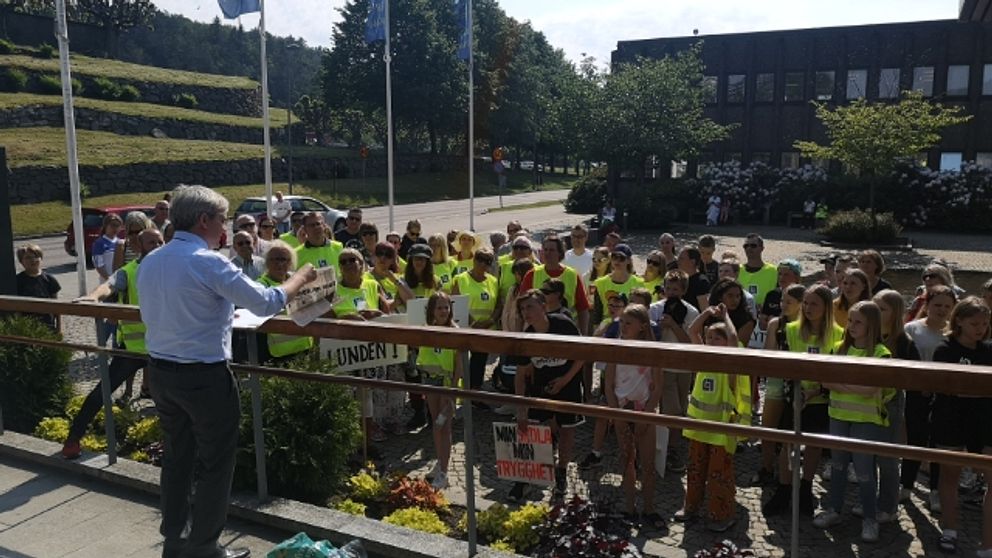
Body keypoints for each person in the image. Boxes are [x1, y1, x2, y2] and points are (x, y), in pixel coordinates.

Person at [137, 185, 317, 558]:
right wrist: (300, 277)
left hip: (162, 373)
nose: (225, 227)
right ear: (204, 220)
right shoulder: (208, 261)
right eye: (222, 218)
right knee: (216, 463)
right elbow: (266, 301)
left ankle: (175, 539)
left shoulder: (152, 259)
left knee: (177, 458)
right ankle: (204, 546)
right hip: (203, 377)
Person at [62, 229, 165, 459]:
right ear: (139, 246)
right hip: (132, 349)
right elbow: (108, 285)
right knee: (102, 391)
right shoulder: (129, 271)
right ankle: (73, 438)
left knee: (173, 400)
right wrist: (94, 297)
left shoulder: (172, 270)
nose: (158, 245)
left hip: (163, 348)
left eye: (160, 241)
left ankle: (169, 445)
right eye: (152, 242)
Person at [762, 285, 843, 517]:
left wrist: (814, 392)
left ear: (826, 307)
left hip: (820, 399)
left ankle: (805, 487)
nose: (807, 308)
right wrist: (798, 391)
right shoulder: (790, 330)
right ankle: (784, 488)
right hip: (794, 396)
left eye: (814, 304)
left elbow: (835, 370)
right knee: (788, 443)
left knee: (814, 445)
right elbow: (783, 363)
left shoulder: (838, 334)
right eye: (805, 303)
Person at [814, 301, 891, 543]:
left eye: (858, 322)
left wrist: (841, 386)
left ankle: (870, 517)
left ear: (872, 325)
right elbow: (825, 382)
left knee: (865, 471)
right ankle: (834, 509)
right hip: (838, 416)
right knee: (837, 466)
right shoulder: (839, 348)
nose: (851, 326)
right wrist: (851, 388)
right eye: (850, 321)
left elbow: (870, 389)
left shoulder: (880, 353)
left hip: (865, 420)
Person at [677, 303, 751, 532]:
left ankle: (722, 514)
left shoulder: (730, 365)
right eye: (708, 338)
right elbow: (692, 331)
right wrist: (708, 313)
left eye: (715, 339)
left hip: (721, 429)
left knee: (719, 474)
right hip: (699, 427)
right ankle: (691, 507)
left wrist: (726, 316)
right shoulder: (704, 359)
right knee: (696, 469)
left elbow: (733, 337)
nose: (710, 342)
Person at [509, 289, 585, 501]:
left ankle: (561, 473)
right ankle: (526, 478)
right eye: (523, 309)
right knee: (533, 429)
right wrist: (520, 408)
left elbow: (582, 355)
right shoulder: (527, 338)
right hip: (541, 387)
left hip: (568, 383)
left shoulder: (563, 325)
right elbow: (521, 374)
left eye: (530, 307)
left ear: (543, 306)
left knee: (567, 430)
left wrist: (564, 380)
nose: (526, 312)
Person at [930, 297, 992, 555]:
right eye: (974, 323)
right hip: (951, 420)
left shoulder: (989, 351)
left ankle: (988, 543)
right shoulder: (945, 350)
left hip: (985, 422)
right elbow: (944, 387)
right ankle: (950, 529)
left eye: (985, 323)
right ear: (959, 322)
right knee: (950, 475)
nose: (980, 328)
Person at [604, 304, 664, 527]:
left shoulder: (653, 351)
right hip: (622, 408)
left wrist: (647, 414)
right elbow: (609, 385)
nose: (624, 326)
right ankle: (629, 507)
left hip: (643, 409)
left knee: (647, 463)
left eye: (629, 323)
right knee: (627, 460)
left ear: (642, 326)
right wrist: (616, 413)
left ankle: (649, 507)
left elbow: (657, 387)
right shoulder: (615, 348)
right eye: (622, 322)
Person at [903, 285, 957, 514]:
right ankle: (905, 484)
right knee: (914, 440)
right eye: (937, 305)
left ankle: (935, 490)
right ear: (927, 305)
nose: (942, 310)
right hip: (916, 395)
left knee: (938, 442)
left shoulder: (954, 334)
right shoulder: (912, 329)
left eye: (947, 306)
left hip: (944, 397)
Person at [330, 247, 391, 442]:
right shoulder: (333, 290)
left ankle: (368, 437)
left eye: (352, 260)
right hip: (343, 351)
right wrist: (346, 318)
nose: (348, 264)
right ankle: (350, 440)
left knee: (367, 395)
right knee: (347, 396)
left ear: (361, 264)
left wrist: (376, 314)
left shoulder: (372, 284)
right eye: (344, 262)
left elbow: (387, 313)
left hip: (368, 350)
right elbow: (322, 319)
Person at [873, 289, 919, 524]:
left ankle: (889, 505)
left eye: (881, 309)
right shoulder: (868, 335)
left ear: (895, 312)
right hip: (866, 402)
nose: (876, 313)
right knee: (866, 454)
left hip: (890, 403)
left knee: (888, 457)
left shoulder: (903, 341)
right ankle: (870, 501)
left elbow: (912, 377)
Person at [753, 283, 806, 487]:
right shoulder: (776, 323)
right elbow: (769, 353)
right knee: (768, 426)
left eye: (788, 302)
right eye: (782, 300)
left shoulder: (806, 326)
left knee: (791, 430)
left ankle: (789, 474)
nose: (783, 305)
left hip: (798, 383)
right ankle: (767, 467)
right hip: (776, 382)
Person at [648, 270, 700, 474]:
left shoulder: (691, 312)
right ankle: (671, 449)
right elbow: (650, 338)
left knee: (681, 407)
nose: (671, 292)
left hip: (683, 366)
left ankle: (673, 444)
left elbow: (691, 341)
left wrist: (674, 326)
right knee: (672, 410)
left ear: (684, 291)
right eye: (668, 288)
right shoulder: (655, 309)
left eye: (675, 289)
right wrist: (660, 328)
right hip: (664, 366)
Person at [417, 291, 464, 489]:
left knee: (442, 426)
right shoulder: (429, 330)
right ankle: (440, 463)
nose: (444, 311)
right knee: (436, 426)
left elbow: (459, 366)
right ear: (432, 311)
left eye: (446, 307)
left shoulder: (456, 331)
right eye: (440, 307)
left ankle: (444, 474)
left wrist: (452, 391)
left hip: (446, 386)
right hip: (431, 383)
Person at [517, 234, 591, 334]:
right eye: (545, 250)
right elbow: (520, 306)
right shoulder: (532, 274)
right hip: (538, 330)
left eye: (551, 250)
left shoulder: (572, 275)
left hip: (566, 330)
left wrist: (584, 334)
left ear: (560, 253)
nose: (547, 253)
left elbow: (582, 309)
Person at [451, 248, 500, 394]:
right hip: (465, 327)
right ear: (474, 260)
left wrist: (490, 321)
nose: (483, 264)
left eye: (487, 261)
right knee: (460, 362)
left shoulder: (493, 281)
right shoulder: (461, 279)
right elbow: (456, 302)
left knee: (479, 364)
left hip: (486, 329)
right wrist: (473, 323)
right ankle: (457, 391)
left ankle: (474, 393)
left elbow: (498, 304)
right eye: (480, 259)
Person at [255, 241, 314, 362]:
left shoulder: (298, 280)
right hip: (279, 353)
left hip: (304, 347)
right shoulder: (261, 285)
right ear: (266, 262)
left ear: (291, 262)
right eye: (275, 259)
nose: (280, 264)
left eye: (284, 259)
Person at [15, 243, 61, 332]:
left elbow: (57, 307)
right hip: (27, 325)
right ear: (21, 261)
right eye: (28, 258)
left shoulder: (50, 280)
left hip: (48, 325)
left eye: (36, 256)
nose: (33, 260)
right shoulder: (18, 281)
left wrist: (58, 329)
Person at [592, 244, 644, 311]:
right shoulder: (600, 283)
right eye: (614, 257)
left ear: (628, 260)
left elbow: (641, 310)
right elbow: (597, 311)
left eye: (621, 258)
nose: (617, 261)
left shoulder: (639, 283)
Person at [738, 233, 778, 307]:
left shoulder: (773, 270)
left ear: (762, 248)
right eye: (746, 246)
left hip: (766, 314)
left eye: (753, 246)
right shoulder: (737, 270)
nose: (749, 248)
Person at [678, 246, 712, 311]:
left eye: (681, 258)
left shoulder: (701, 282)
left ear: (692, 262)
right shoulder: (681, 279)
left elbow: (705, 310)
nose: (678, 260)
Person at [92, 213, 123, 282]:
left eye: (118, 226)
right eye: (112, 225)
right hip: (106, 281)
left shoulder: (120, 242)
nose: (115, 228)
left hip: (120, 280)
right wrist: (109, 279)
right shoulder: (99, 243)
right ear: (106, 226)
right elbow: (99, 265)